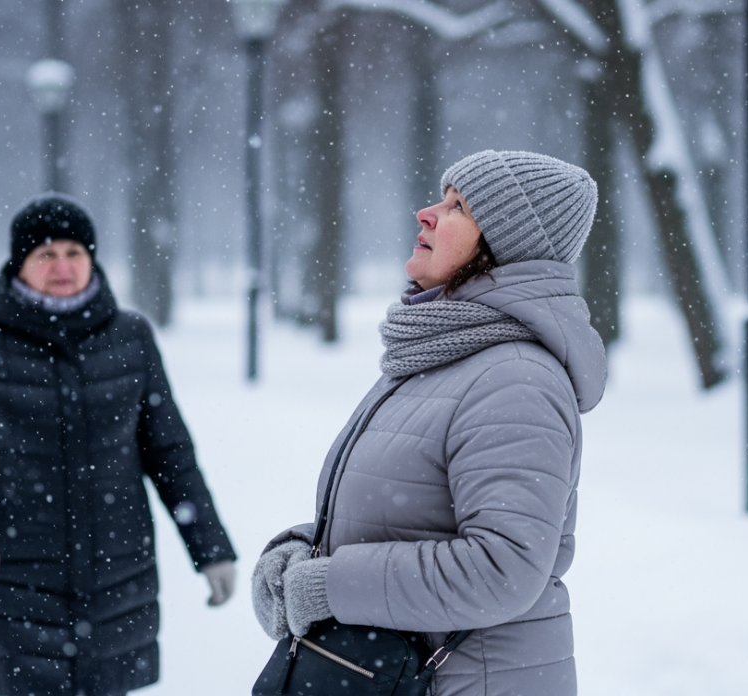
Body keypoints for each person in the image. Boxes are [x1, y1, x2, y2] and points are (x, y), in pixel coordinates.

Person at [251, 150, 606, 695]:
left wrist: (331, 585)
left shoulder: (515, 378)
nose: (426, 213)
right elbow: (405, 513)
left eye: (458, 206)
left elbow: (502, 566)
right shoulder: (444, 352)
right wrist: (301, 550)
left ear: (503, 243)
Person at [0, 193, 238, 696]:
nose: (62, 267)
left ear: (91, 258)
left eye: (74, 252)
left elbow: (171, 455)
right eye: (45, 255)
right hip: (17, 577)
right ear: (19, 265)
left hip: (119, 570)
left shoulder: (131, 338)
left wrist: (211, 549)